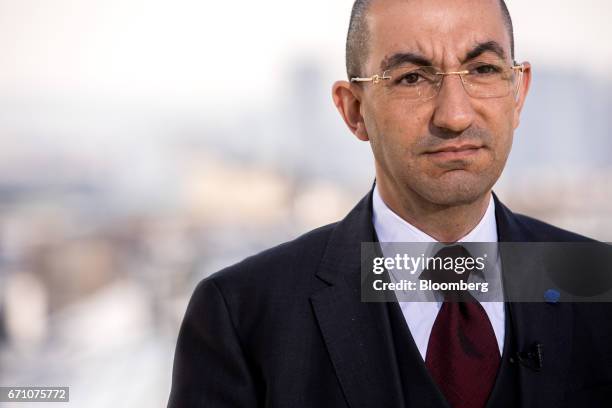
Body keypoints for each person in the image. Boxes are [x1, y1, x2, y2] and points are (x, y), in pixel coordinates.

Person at [168, 0, 612, 406]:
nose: (455, 116)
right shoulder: (243, 317)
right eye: (412, 78)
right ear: (353, 110)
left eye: (482, 69)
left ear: (518, 92)